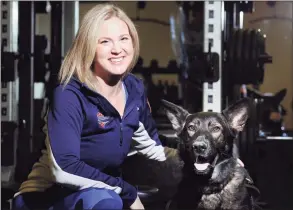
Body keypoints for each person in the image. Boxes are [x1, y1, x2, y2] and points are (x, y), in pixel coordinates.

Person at [12, 3, 167, 210]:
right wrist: (127, 192)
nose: (117, 49)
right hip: (46, 198)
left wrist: (198, 157)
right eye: (105, 41)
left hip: (102, 192)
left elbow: (154, 149)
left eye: (123, 39)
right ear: (88, 47)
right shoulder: (69, 94)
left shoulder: (133, 89)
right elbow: (64, 169)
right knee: (107, 202)